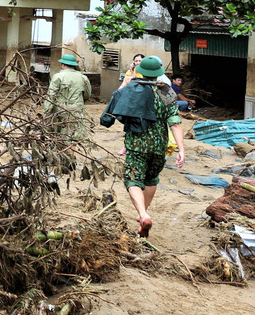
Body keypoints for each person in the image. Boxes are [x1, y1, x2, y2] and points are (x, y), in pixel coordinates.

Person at [101, 55, 186, 237]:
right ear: (159, 74)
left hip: (136, 144)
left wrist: (125, 83)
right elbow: (175, 122)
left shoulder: (133, 88)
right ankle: (143, 214)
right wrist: (181, 149)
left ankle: (143, 214)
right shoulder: (167, 92)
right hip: (159, 145)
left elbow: (115, 103)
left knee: (133, 179)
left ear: (141, 71)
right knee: (151, 179)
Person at [44, 52, 92, 141]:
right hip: (77, 110)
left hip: (60, 110)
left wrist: (46, 112)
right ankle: (71, 153)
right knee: (74, 134)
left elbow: (51, 96)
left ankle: (60, 153)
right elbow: (87, 94)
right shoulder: (83, 78)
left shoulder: (58, 77)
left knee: (58, 134)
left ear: (63, 65)